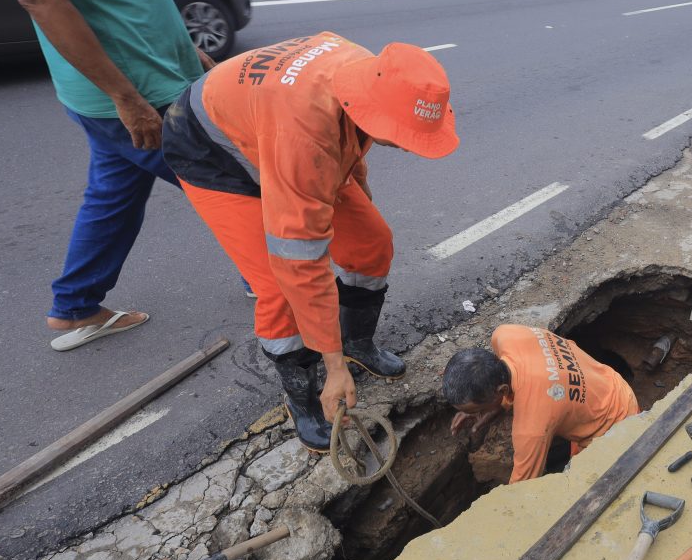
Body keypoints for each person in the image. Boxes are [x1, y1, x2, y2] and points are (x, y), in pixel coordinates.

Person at [161, 33, 459, 453]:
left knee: (371, 241)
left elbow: (351, 144)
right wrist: (332, 368)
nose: (409, 147)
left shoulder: (367, 73)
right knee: (279, 289)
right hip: (212, 150)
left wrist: (359, 191)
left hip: (272, 123)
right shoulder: (306, 135)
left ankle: (356, 344)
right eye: (405, 134)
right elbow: (299, 259)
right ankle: (302, 398)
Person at [12, 0, 215, 352]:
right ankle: (282, 290)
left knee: (114, 196)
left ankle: (76, 304)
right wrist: (126, 98)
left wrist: (182, 47)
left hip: (140, 81)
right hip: (138, 91)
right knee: (234, 187)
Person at [443, 324, 640, 484]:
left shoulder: (531, 428)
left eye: (478, 410)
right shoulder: (505, 335)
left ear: (502, 391)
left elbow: (521, 489)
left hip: (614, 425)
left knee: (582, 485)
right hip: (605, 383)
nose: (476, 415)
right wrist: (493, 407)